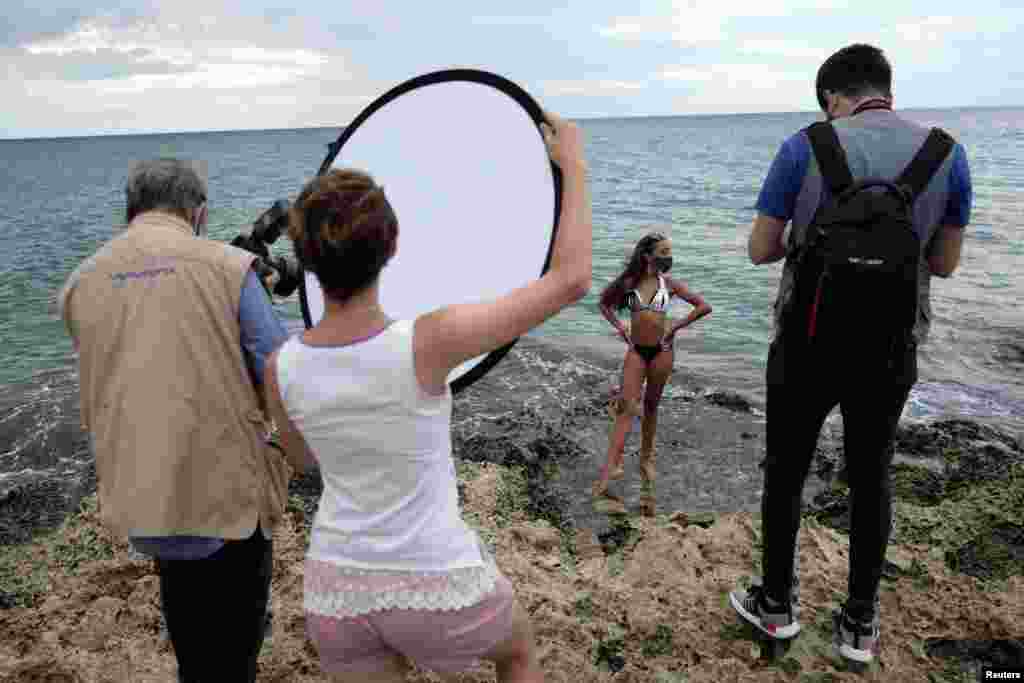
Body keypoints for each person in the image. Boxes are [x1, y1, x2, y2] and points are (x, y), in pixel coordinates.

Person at [263, 111, 591, 682]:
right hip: (433, 577)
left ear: (307, 259)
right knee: (517, 654)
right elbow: (570, 280)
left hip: (336, 589)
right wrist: (575, 168)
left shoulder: (280, 365)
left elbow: (302, 460)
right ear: (391, 247)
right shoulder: (426, 342)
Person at [728, 44, 972, 666]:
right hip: (892, 346)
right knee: (872, 476)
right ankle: (859, 626)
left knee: (785, 471)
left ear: (833, 96)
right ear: (886, 88)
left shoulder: (803, 146)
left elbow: (761, 249)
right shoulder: (947, 153)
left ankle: (776, 606)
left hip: (805, 342)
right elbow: (943, 265)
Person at [57, 159, 292, 682]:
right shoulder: (231, 268)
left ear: (129, 211)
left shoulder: (80, 282)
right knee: (233, 657)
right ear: (200, 213)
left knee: (192, 634)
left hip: (143, 494)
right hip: (228, 500)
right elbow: (280, 373)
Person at [594, 232, 712, 515]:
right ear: (647, 256)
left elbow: (704, 306)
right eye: (663, 251)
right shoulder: (629, 283)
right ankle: (612, 470)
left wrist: (675, 327)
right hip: (636, 351)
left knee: (650, 407)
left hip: (662, 352)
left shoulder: (668, 284)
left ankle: (646, 459)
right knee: (627, 407)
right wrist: (621, 328)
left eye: (669, 251)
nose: (668, 256)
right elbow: (603, 304)